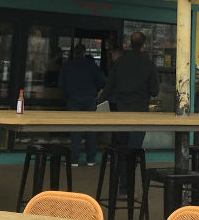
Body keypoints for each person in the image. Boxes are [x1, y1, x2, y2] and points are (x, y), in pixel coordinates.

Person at [100, 31, 159, 194]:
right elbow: (154, 91)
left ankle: (119, 181)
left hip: (121, 113)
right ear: (144, 45)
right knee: (134, 150)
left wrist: (97, 105)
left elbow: (108, 88)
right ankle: (125, 185)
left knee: (121, 149)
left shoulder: (120, 63)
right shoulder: (149, 64)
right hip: (140, 114)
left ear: (129, 44)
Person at [59, 43, 106, 166]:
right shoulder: (91, 65)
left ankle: (74, 159)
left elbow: (61, 84)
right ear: (85, 52)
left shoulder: (67, 65)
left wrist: (66, 99)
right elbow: (102, 80)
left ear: (74, 53)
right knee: (90, 129)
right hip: (89, 99)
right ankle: (90, 159)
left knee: (76, 129)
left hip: (73, 99)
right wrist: (96, 90)